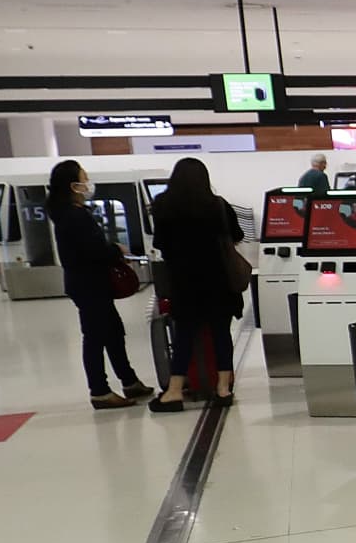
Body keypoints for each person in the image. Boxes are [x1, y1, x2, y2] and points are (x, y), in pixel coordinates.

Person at [48, 160, 153, 410]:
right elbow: (93, 251)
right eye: (84, 179)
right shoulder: (74, 216)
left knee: (114, 333)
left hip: (88, 284)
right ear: (73, 185)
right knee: (95, 337)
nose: (88, 184)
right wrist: (116, 249)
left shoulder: (68, 213)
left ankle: (129, 381)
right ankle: (100, 391)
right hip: (89, 284)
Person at [147, 157, 244, 412]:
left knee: (184, 337)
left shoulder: (163, 206)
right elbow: (237, 235)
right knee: (221, 334)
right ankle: (223, 388)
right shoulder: (218, 205)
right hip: (218, 281)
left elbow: (159, 243)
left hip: (184, 283)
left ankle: (175, 391)